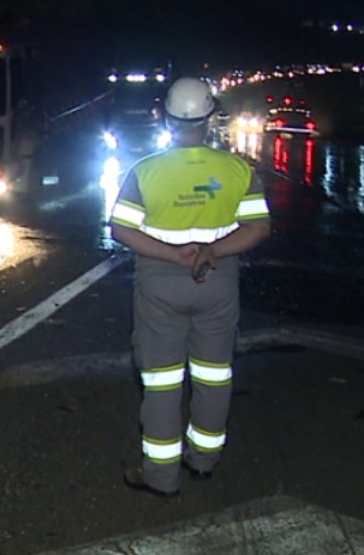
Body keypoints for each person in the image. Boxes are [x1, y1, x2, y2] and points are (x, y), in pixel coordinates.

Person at [109, 77, 271, 498]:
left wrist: (172, 254)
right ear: (210, 114)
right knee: (214, 375)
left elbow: (122, 229)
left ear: (165, 114)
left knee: (162, 381)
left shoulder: (145, 171)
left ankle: (160, 476)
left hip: (161, 284)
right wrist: (211, 251)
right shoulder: (237, 169)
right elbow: (258, 228)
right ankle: (203, 461)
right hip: (217, 282)